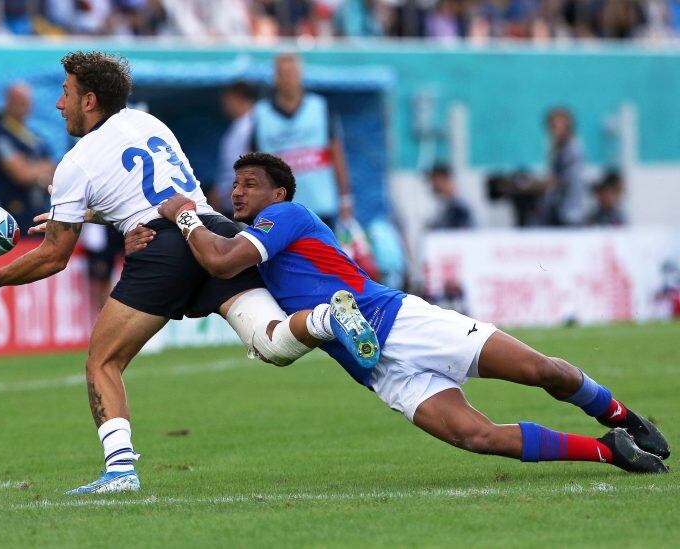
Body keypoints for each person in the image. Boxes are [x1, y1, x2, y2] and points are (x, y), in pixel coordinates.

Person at [0, 52, 379, 496]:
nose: (60, 105)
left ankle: (119, 472)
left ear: (90, 100)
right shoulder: (149, 124)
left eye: (65, 94)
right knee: (273, 343)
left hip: (162, 248)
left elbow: (54, 256)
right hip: (213, 230)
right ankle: (328, 319)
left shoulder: (75, 163)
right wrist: (92, 216)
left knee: (103, 361)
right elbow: (150, 194)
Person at [128, 152, 670, 475]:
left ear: (281, 192)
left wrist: (183, 215)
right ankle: (608, 452)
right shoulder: (242, 236)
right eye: (236, 183)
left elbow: (218, 260)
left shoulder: (286, 215)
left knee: (541, 371)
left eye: (251, 183)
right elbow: (205, 267)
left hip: (399, 321)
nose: (239, 190)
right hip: (375, 367)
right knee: (475, 436)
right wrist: (146, 236)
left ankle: (620, 415)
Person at [251, 53, 353, 230]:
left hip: (320, 205)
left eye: (293, 73)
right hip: (282, 208)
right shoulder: (261, 114)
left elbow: (336, 153)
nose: (289, 79)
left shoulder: (319, 107)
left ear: (300, 75)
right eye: (284, 74)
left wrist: (345, 197)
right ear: (275, 78)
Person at [0, 82, 57, 233]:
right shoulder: (0, 133)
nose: (23, 106)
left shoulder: (32, 136)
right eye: (18, 101)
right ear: (8, 102)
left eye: (26, 102)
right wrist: (43, 170)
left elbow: (54, 169)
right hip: (13, 213)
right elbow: (21, 173)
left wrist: (39, 171)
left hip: (37, 209)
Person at [210, 82, 258, 219]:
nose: (224, 105)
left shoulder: (251, 125)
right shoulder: (238, 125)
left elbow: (249, 163)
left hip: (244, 199)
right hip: (231, 198)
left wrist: (225, 192)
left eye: (227, 100)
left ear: (237, 98)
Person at [537, 107, 586, 227]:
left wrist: (540, 184)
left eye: (559, 125)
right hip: (559, 208)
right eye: (552, 126)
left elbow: (565, 179)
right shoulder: (557, 149)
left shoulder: (572, 149)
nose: (555, 130)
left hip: (569, 211)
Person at [428, 163, 474, 229]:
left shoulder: (459, 208)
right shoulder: (445, 205)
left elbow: (461, 234)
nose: (432, 185)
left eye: (434, 180)